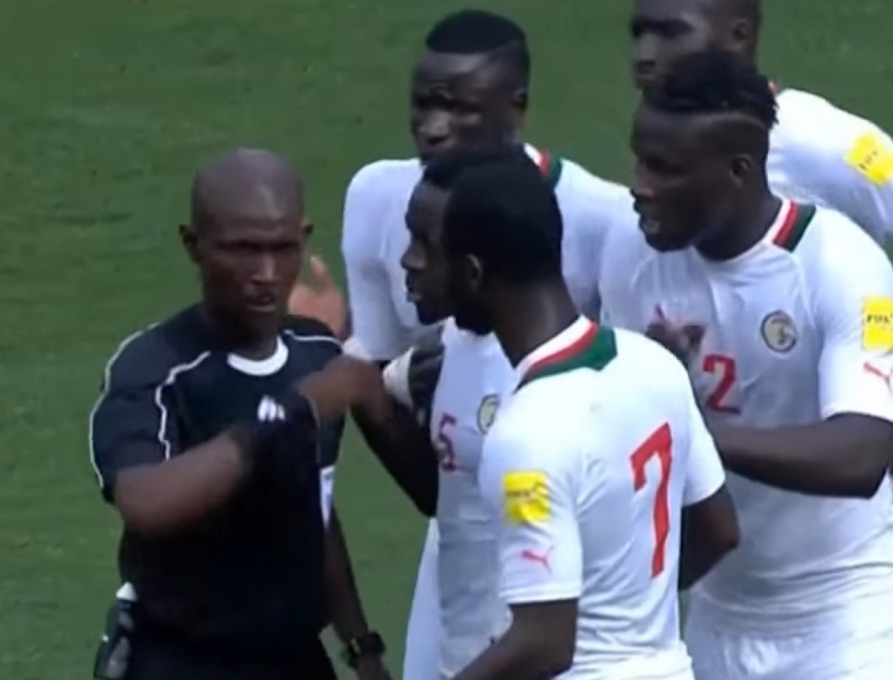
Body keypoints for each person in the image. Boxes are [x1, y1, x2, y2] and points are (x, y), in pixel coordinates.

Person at [290, 11, 633, 678]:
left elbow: (614, 390)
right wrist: (370, 374)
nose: (433, 126)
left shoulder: (599, 217)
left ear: (518, 108)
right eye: (424, 104)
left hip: (571, 532)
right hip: (460, 519)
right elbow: (384, 369)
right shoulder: (377, 197)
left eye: (459, 109)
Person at [354, 145, 739, 679]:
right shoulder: (652, 364)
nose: (407, 260)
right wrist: (624, 618)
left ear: (472, 272)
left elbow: (544, 644)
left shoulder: (526, 432)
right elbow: (718, 529)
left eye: (423, 244)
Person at [601, 51, 893, 679]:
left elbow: (862, 453)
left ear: (739, 171)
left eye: (665, 168)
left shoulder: (839, 266)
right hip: (717, 616)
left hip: (851, 615)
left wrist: (689, 424)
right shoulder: (631, 251)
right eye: (640, 157)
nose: (638, 183)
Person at [88, 149, 391, 680]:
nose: (266, 274)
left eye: (283, 248)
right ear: (193, 245)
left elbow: (314, 508)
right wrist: (292, 415)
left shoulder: (316, 353)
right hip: (182, 661)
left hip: (295, 659)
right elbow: (146, 504)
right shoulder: (156, 369)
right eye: (244, 250)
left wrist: (361, 646)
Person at [629, 0, 893, 246]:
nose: (644, 55)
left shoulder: (822, 141)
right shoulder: (656, 142)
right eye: (640, 34)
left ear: (739, 37)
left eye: (670, 33)